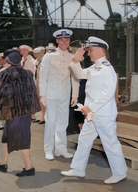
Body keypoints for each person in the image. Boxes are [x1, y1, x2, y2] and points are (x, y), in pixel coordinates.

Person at [61, 36, 127, 184]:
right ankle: (78, 168)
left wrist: (90, 107)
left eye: (89, 50)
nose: (88, 54)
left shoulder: (107, 69)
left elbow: (108, 93)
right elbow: (79, 74)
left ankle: (120, 172)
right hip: (92, 114)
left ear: (99, 50)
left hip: (103, 114)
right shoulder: (93, 68)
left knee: (110, 142)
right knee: (84, 140)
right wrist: (76, 60)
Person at [0, 51, 41, 177]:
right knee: (7, 137)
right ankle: (3, 163)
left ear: (8, 61)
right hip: (25, 112)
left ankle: (29, 167)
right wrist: (34, 109)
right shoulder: (28, 73)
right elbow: (33, 92)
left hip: (12, 112)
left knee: (22, 139)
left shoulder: (5, 74)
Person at [39, 29, 79, 160]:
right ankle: (48, 149)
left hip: (65, 94)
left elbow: (75, 77)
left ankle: (60, 149)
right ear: (57, 41)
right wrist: (42, 95)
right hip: (51, 93)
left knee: (63, 122)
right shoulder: (49, 56)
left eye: (67, 39)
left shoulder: (72, 56)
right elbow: (42, 76)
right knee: (50, 121)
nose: (64, 42)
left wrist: (75, 95)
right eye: (61, 39)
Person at [33, 46, 46, 124]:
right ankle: (39, 117)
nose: (36, 55)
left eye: (37, 53)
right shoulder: (37, 61)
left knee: (43, 102)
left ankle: (43, 118)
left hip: (42, 84)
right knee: (38, 101)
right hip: (37, 82)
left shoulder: (44, 61)